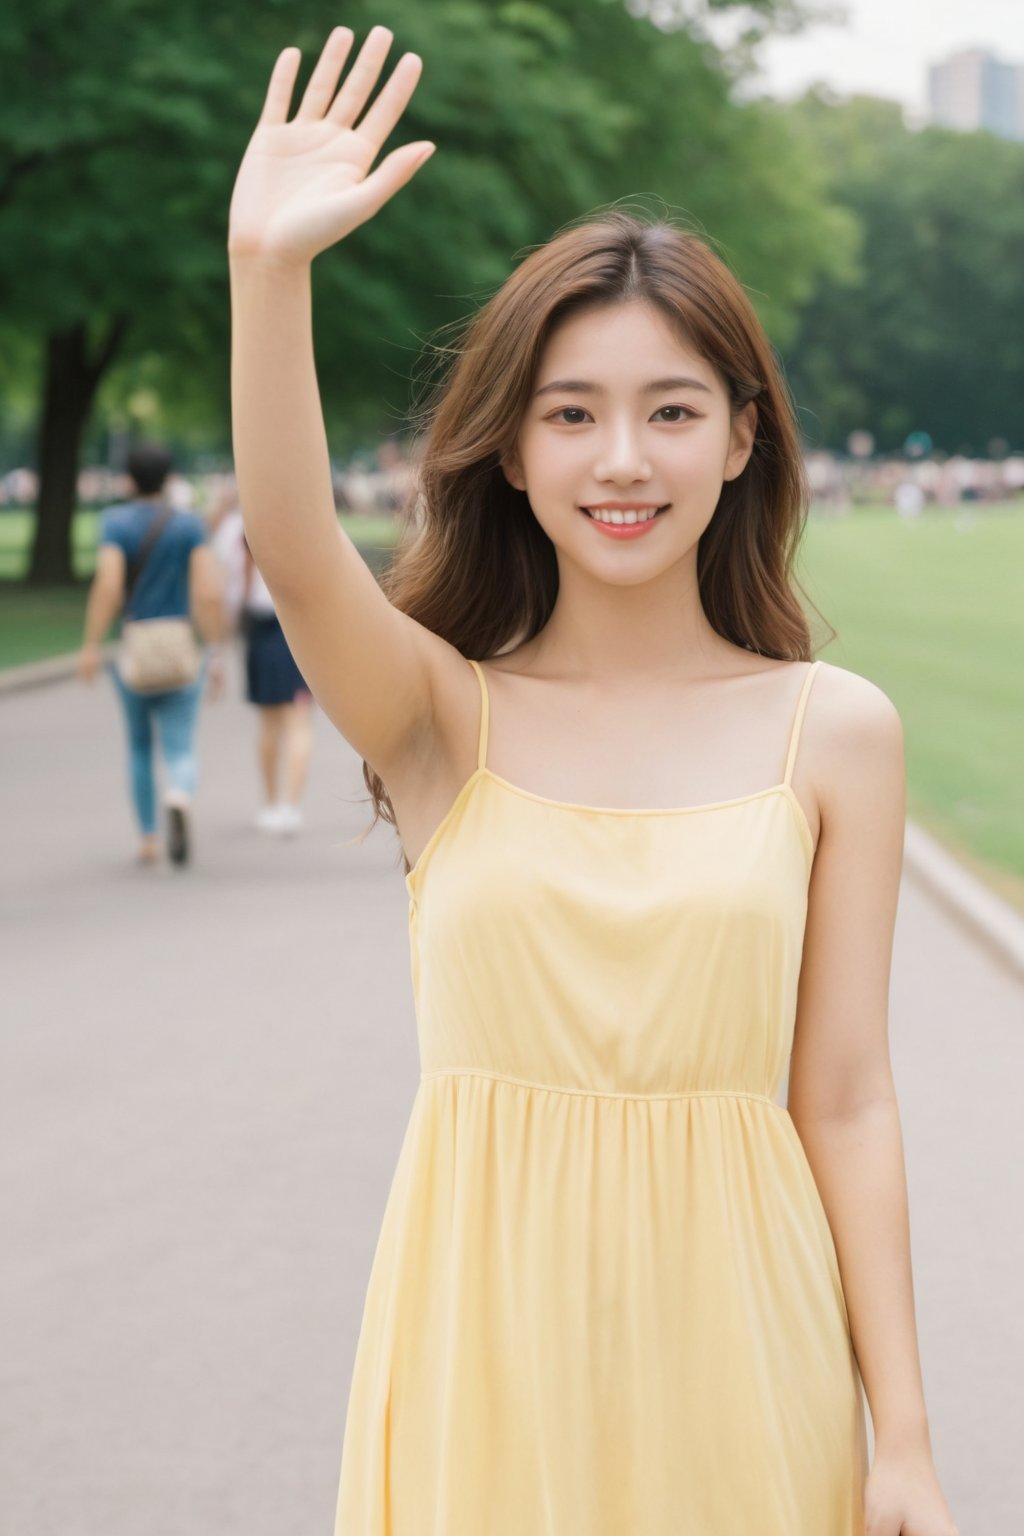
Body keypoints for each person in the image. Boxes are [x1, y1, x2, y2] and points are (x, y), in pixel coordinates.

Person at [228, 26, 959, 1536]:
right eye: (570, 413)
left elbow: (846, 1097)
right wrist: (267, 273)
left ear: (744, 438)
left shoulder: (835, 732)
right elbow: (298, 550)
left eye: (673, 410)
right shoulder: (439, 715)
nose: (622, 458)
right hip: (477, 1357)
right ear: (510, 451)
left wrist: (906, 1442)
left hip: (747, 1355)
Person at [77, 442, 226, 866]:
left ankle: (147, 837)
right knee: (180, 746)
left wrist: (90, 644)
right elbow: (208, 594)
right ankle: (179, 794)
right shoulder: (188, 526)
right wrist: (214, 650)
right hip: (179, 646)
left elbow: (107, 586)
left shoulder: (115, 523)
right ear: (168, 478)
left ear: (128, 480)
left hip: (137, 649)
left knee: (140, 746)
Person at [210, 490, 314, 834]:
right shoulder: (302, 522)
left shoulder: (234, 527)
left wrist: (217, 653)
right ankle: (290, 806)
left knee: (270, 723)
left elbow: (227, 593)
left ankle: (272, 804)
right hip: (296, 630)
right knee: (298, 722)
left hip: (261, 630)